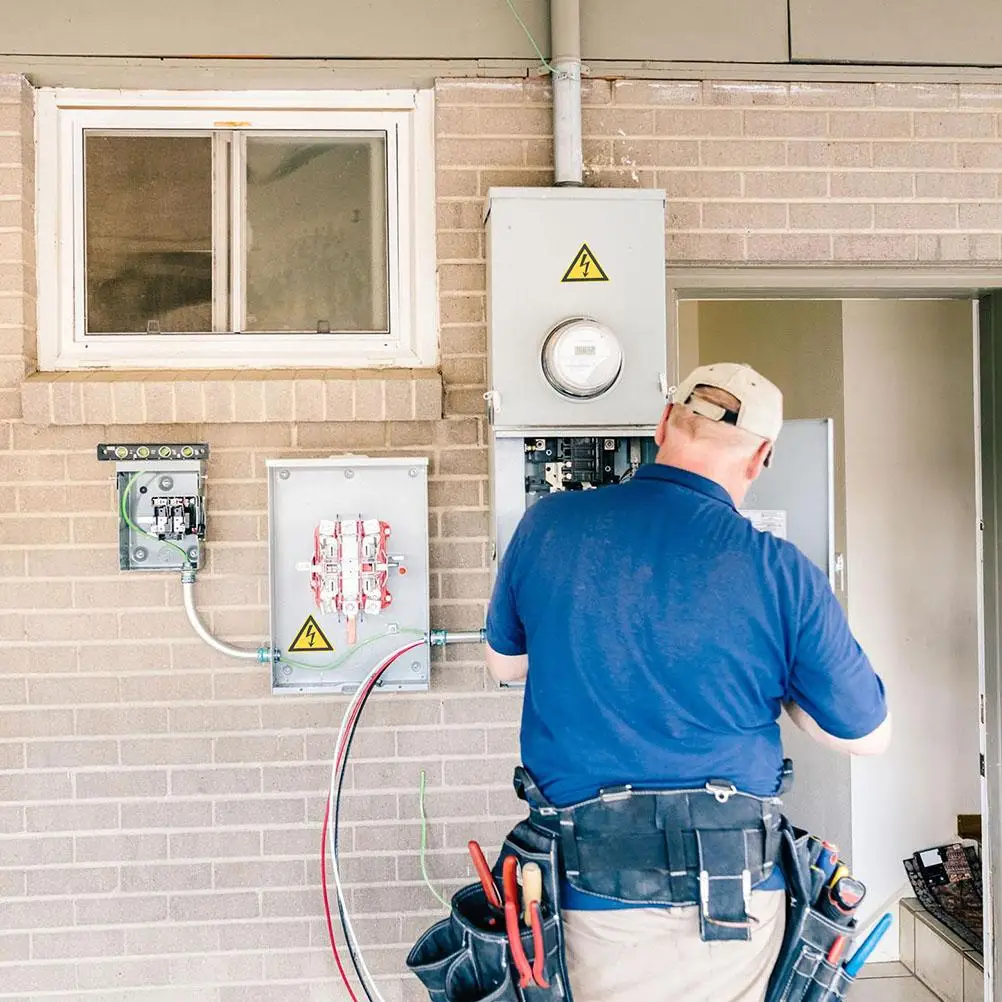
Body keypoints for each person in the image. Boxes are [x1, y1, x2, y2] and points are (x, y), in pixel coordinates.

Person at [484, 362, 891, 1002]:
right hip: (729, 898)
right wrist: (785, 691)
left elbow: (505, 666)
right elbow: (866, 733)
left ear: (663, 425)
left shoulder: (548, 526)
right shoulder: (781, 572)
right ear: (761, 457)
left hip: (587, 893)